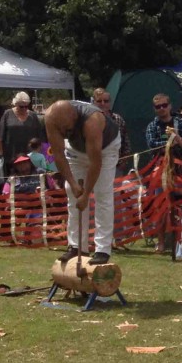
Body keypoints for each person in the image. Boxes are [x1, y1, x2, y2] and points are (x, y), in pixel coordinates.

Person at [44, 99, 121, 265]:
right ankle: (77, 246)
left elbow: (96, 163)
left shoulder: (92, 120)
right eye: (61, 130)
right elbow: (58, 155)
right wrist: (73, 184)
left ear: (74, 116)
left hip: (105, 149)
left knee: (102, 194)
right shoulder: (51, 118)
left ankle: (102, 249)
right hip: (75, 151)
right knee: (72, 195)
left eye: (68, 130)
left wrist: (86, 194)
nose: (65, 133)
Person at [0, 91, 45, 175]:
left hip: (30, 156)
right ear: (15, 104)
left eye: (26, 106)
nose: (24, 109)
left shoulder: (33, 116)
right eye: (21, 107)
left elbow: (40, 136)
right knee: (12, 179)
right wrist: (1, 153)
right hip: (11, 155)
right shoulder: (7, 114)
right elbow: (1, 136)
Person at [91, 88, 131, 171]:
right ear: (93, 102)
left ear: (110, 103)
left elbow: (126, 143)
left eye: (106, 101)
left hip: (115, 166)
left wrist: (123, 162)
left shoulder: (118, 119)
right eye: (99, 101)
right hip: (92, 166)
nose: (102, 104)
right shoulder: (88, 121)